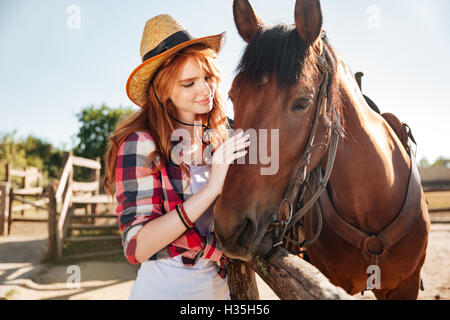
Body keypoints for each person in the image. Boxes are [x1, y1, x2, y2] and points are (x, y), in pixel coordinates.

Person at [104, 14, 250, 300]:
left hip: (219, 293)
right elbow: (137, 246)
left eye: (208, 77)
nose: (205, 90)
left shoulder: (222, 138)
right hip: (164, 291)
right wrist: (211, 189)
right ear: (163, 91)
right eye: (188, 84)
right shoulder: (141, 144)